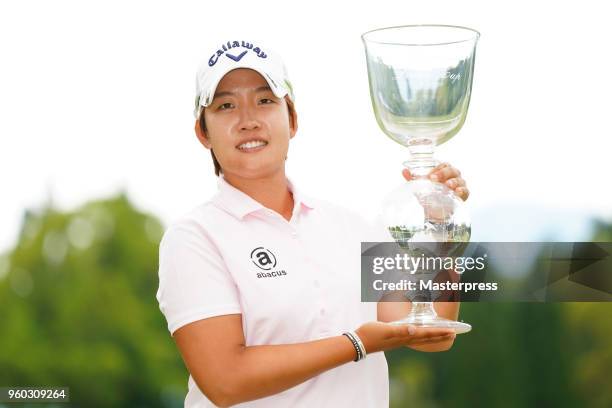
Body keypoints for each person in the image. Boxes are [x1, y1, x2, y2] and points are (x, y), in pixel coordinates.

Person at [156, 39, 470, 408]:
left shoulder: (348, 226)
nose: (248, 120)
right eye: (226, 105)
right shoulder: (193, 238)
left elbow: (432, 332)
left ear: (292, 119)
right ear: (203, 132)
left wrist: (439, 232)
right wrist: (357, 343)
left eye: (265, 100)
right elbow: (226, 380)